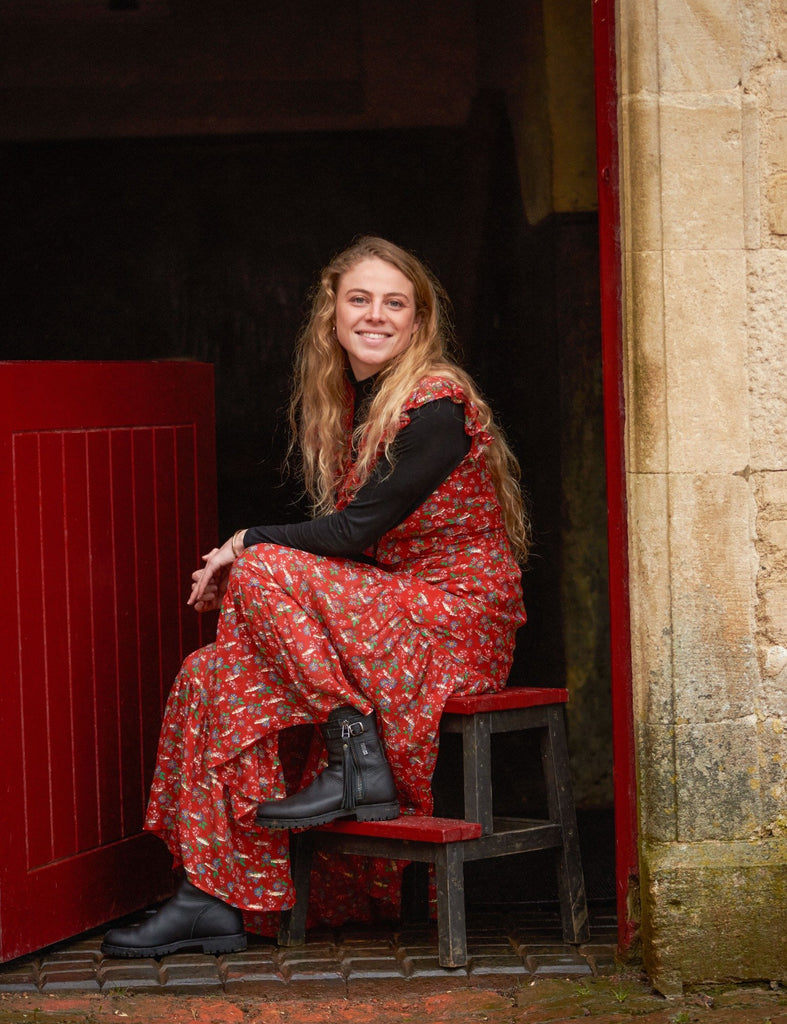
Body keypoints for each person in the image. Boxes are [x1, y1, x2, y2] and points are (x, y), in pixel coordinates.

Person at [101, 236, 529, 959]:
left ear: (419, 322)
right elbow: (353, 550)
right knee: (208, 676)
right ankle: (207, 898)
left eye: (395, 303)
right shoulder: (353, 405)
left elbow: (355, 531)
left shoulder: (436, 407)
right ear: (331, 313)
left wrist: (242, 542)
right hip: (388, 612)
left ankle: (354, 754)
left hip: (454, 623)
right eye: (359, 299)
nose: (375, 315)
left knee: (264, 567)